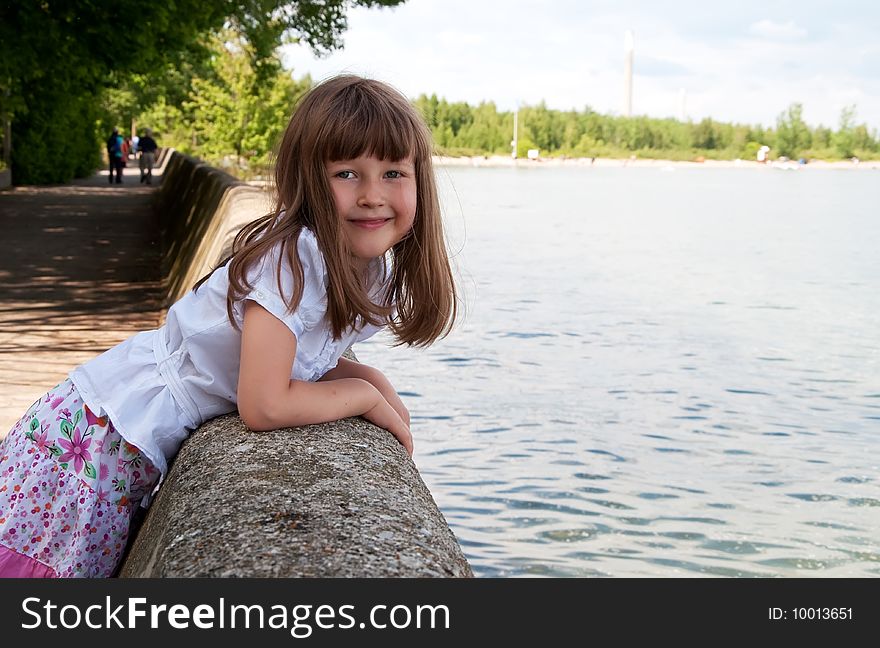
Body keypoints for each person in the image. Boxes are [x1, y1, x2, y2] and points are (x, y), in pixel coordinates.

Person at [0, 75, 458, 578]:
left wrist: (367, 378)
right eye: (347, 173)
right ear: (308, 180)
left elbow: (297, 357)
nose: (372, 195)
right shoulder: (294, 260)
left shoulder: (362, 267)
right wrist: (364, 397)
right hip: (89, 448)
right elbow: (264, 404)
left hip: (113, 447)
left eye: (394, 172)